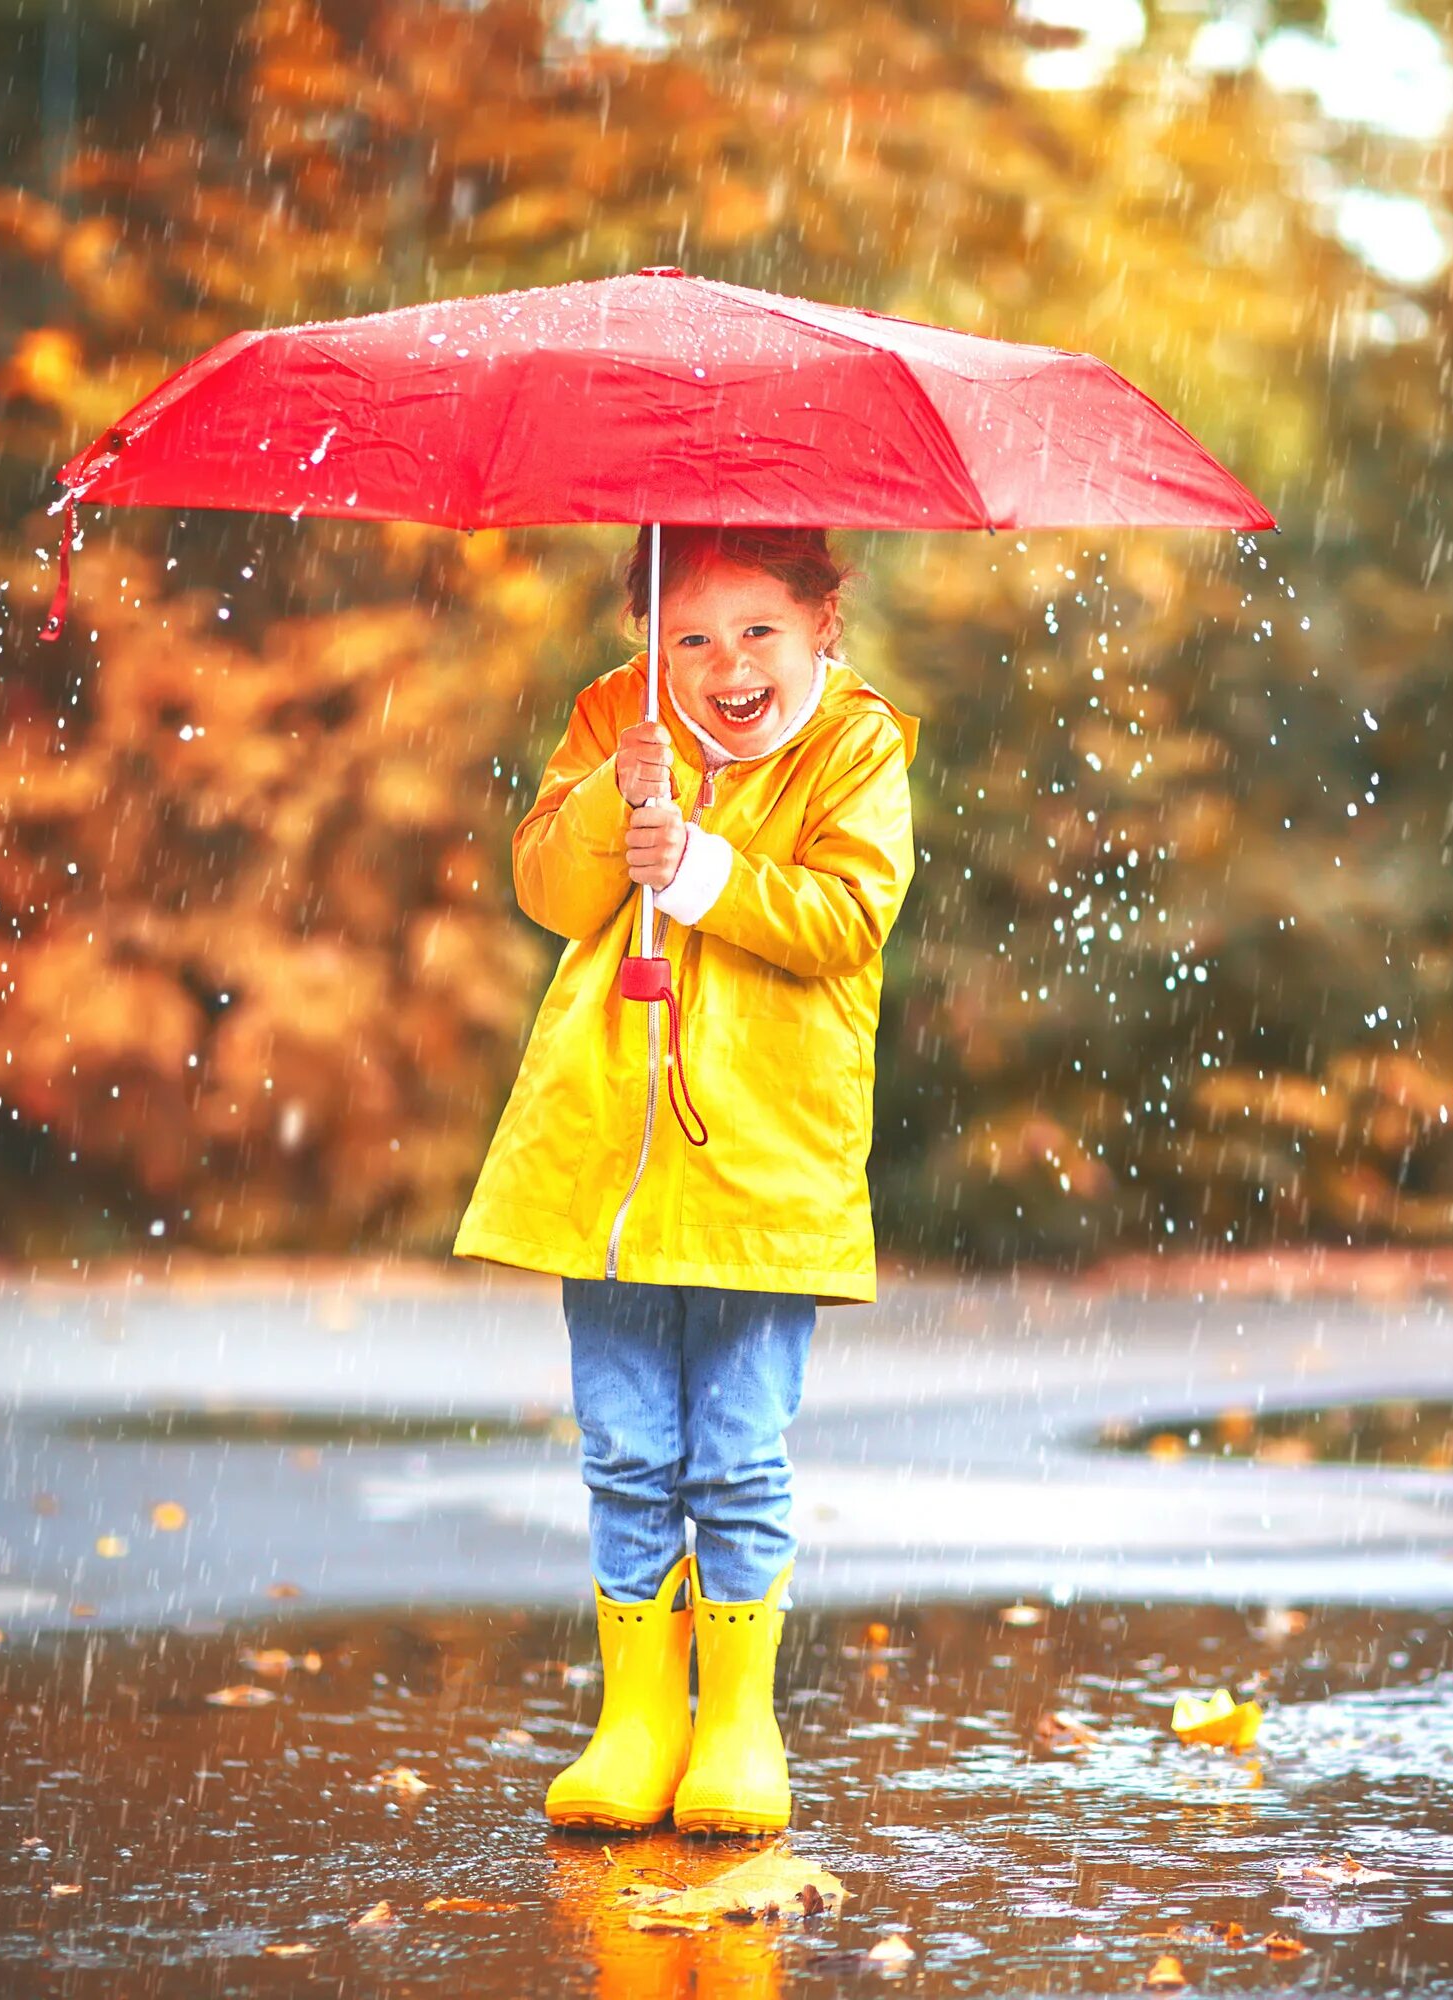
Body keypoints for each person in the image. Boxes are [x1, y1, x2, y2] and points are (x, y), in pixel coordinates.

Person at [454, 524, 918, 1835]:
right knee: (626, 1450)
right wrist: (615, 796)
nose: (726, 666)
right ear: (649, 641)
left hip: (760, 1161)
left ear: (824, 616)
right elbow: (548, 888)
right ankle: (639, 1716)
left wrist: (701, 867)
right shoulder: (618, 713)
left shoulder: (858, 747)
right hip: (609, 1149)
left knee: (735, 1454)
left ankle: (738, 1720)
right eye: (690, 639)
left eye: (759, 630)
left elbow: (845, 921)